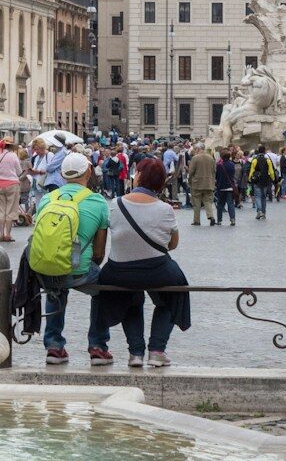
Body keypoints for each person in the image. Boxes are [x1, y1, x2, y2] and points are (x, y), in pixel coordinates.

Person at [87, 158, 189, 368]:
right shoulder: (166, 209)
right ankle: (157, 350)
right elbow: (173, 244)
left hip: (119, 270)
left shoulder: (117, 203)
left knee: (131, 299)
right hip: (157, 269)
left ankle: (136, 353)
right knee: (174, 294)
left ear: (139, 176)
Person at [31, 152, 110, 364]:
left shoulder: (48, 199)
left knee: (55, 291)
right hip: (81, 270)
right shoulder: (98, 202)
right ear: (89, 171)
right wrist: (86, 263)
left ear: (63, 174)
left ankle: (54, 347)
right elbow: (99, 252)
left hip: (49, 267)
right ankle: (98, 346)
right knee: (103, 292)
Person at [0, 137, 22, 242]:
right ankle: (8, 234)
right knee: (11, 210)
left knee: (0, 210)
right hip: (12, 184)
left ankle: (1, 234)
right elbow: (19, 171)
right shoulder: (13, 156)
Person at [187, 144, 217, 226]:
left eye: (196, 149)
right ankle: (211, 216)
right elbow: (214, 170)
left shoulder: (195, 158)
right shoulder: (211, 158)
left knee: (196, 203)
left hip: (197, 183)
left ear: (198, 149)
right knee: (208, 201)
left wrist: (190, 181)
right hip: (209, 183)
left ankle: (196, 220)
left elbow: (191, 171)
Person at [247, 145, 277, 219]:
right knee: (263, 197)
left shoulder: (255, 160)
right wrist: (273, 179)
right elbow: (271, 171)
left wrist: (250, 178)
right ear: (264, 151)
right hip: (265, 180)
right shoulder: (267, 160)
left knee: (257, 196)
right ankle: (263, 212)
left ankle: (259, 211)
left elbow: (252, 170)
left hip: (257, 180)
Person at [215, 148, 238, 226]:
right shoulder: (232, 164)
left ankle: (219, 220)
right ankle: (232, 219)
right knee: (230, 204)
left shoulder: (219, 165)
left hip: (221, 187)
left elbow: (216, 176)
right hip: (230, 186)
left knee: (220, 204)